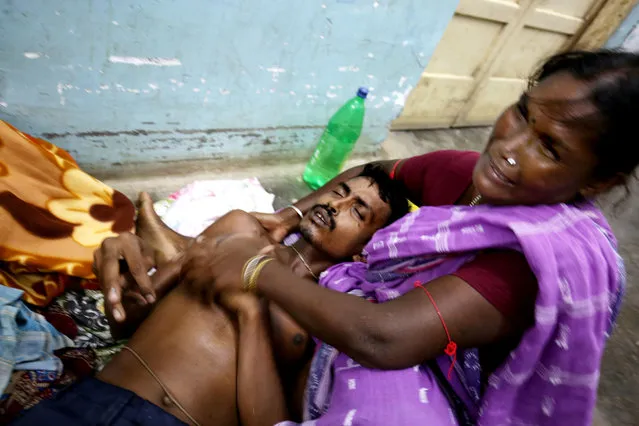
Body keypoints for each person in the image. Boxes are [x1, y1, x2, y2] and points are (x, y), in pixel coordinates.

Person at [166, 50, 636, 425]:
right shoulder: (460, 175)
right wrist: (290, 214)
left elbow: (385, 338)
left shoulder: (530, 264)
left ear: (596, 181)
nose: (509, 149)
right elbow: (375, 171)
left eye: (549, 148)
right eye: (522, 114)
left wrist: (255, 270)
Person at [11, 166, 409, 426]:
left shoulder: (322, 314)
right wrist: (124, 281)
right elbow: (125, 324)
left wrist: (250, 312)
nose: (333, 205)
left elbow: (271, 422)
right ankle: (159, 236)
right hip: (92, 402)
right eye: (338, 192)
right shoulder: (239, 229)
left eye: (357, 211)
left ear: (365, 249)